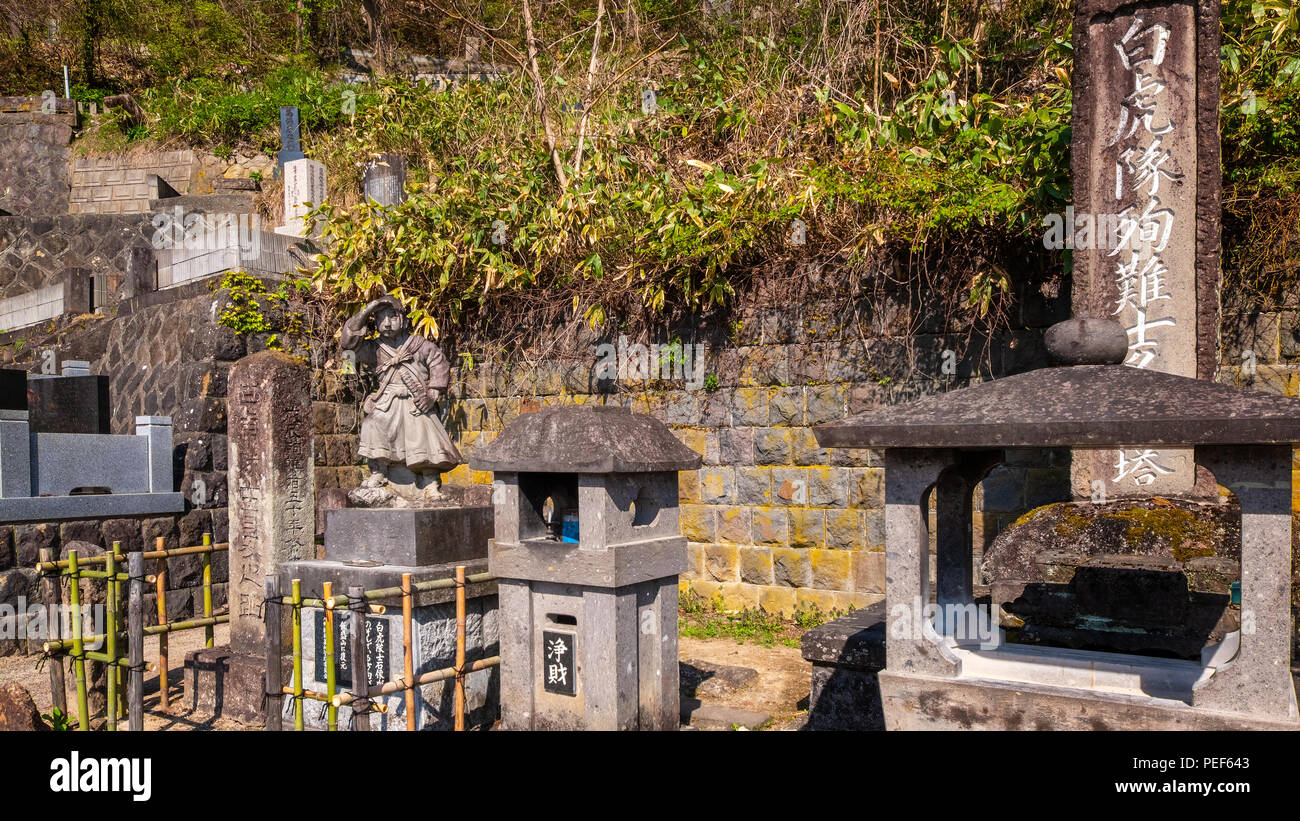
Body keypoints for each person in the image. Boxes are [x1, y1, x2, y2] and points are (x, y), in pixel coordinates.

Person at [340, 295, 462, 500]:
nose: (387, 323)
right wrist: (366, 311)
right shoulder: (374, 349)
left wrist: (432, 393)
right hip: (387, 402)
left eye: (392, 317)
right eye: (380, 318)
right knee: (372, 424)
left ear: (404, 321)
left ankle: (430, 483)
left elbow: (439, 364)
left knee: (425, 434)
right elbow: (348, 345)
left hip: (416, 401)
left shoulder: (420, 344)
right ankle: (379, 472)